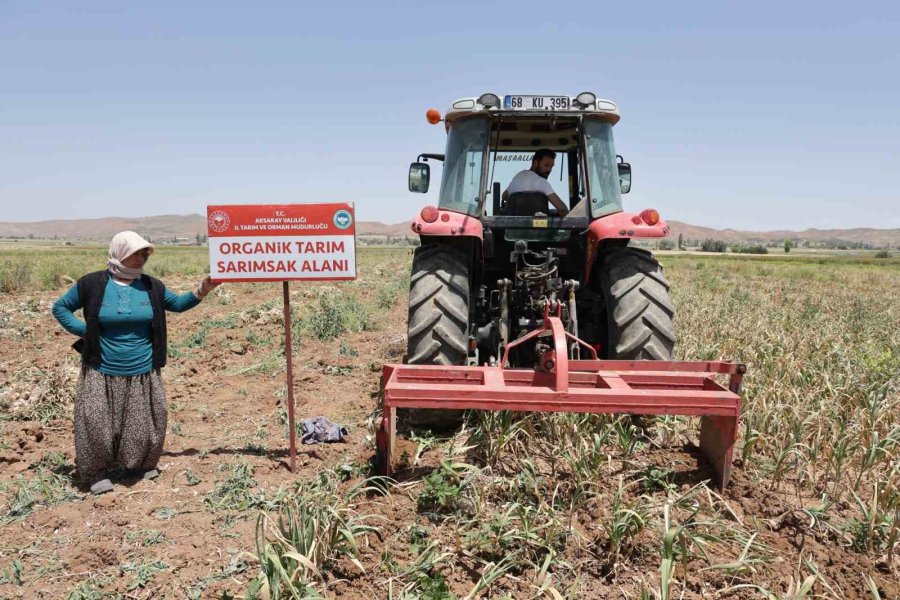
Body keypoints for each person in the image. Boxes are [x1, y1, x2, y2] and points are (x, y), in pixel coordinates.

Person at [51, 231, 220, 495]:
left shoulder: (152, 286)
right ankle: (96, 473)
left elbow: (177, 304)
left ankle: (139, 465)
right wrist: (85, 330)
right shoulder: (91, 284)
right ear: (120, 253)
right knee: (95, 421)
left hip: (142, 368)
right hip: (101, 367)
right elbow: (60, 307)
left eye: (145, 253)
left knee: (143, 421)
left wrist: (202, 289)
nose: (142, 258)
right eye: (136, 253)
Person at [502, 149, 569, 216]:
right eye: (546, 165)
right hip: (537, 222)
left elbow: (504, 196)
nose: (549, 170)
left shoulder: (518, 176)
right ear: (535, 163)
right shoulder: (541, 182)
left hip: (513, 222)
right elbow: (563, 210)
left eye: (551, 166)